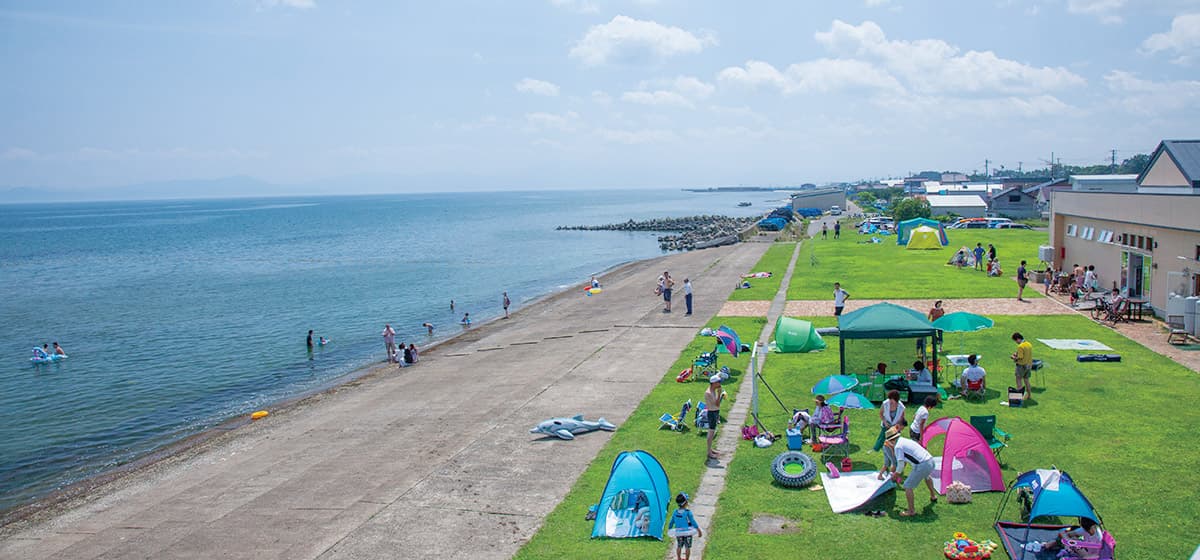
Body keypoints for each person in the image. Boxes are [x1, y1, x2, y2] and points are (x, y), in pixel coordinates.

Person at [886, 429, 938, 517]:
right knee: (927, 476)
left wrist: (896, 475)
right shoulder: (905, 440)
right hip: (930, 460)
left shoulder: (898, 447)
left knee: (907, 486)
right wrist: (898, 472)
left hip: (922, 465)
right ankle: (933, 496)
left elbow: (900, 465)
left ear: (891, 440)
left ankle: (911, 511)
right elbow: (904, 461)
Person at [669, 493, 701, 560]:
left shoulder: (675, 512)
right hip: (687, 533)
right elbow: (693, 522)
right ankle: (686, 559)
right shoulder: (687, 512)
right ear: (686, 503)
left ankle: (679, 558)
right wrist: (698, 530)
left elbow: (671, 522)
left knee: (679, 546)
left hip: (679, 533)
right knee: (687, 547)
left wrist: (670, 529)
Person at [704, 375, 726, 461]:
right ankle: (709, 452)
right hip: (712, 413)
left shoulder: (713, 390)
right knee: (711, 432)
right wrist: (720, 394)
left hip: (715, 412)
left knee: (712, 432)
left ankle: (710, 449)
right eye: (718, 382)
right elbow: (717, 404)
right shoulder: (709, 393)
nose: (720, 384)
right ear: (714, 383)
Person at [1011, 332, 1033, 399]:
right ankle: (1029, 395)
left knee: (1019, 381)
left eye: (1015, 341)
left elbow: (1020, 357)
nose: (1016, 342)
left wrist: (1014, 357)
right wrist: (1017, 353)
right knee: (1027, 381)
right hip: (1028, 365)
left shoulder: (1020, 346)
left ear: (1018, 339)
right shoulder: (1029, 344)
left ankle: (1019, 397)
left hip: (1021, 366)